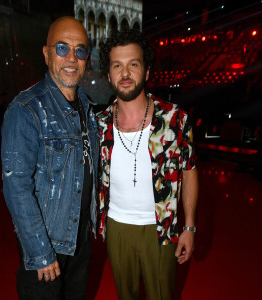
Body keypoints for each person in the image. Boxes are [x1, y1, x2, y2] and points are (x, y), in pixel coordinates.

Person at [1, 16, 99, 300]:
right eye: (62, 48)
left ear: (86, 59)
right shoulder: (27, 109)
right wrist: (41, 252)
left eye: (80, 50)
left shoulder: (87, 108)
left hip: (79, 241)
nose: (71, 58)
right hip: (47, 246)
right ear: (46, 54)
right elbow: (16, 187)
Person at [97, 30, 199, 300]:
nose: (125, 72)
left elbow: (189, 173)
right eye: (117, 65)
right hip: (117, 225)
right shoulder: (99, 124)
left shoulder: (175, 119)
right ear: (108, 75)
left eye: (134, 64)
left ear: (147, 71)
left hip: (161, 227)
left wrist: (189, 227)